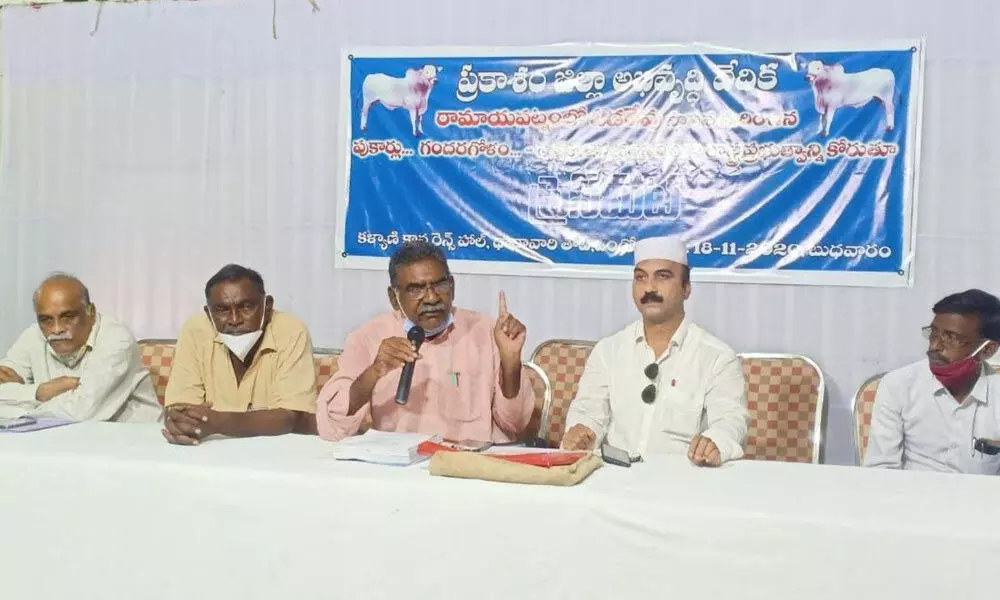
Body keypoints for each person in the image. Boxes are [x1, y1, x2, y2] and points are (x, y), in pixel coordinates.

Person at [317, 240, 533, 443]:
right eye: (416, 289)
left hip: (472, 466)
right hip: (400, 469)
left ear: (452, 287)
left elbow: (515, 424)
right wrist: (374, 371)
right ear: (394, 298)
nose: (431, 298)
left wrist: (510, 360)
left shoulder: (487, 331)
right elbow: (333, 427)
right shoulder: (367, 337)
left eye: (439, 285)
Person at [561, 235, 748, 466]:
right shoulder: (608, 350)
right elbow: (588, 412)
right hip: (613, 478)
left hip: (683, 482)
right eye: (640, 278)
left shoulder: (717, 357)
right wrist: (581, 432)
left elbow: (731, 420)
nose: (649, 288)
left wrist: (715, 442)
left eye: (663, 277)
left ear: (686, 288)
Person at [162, 264, 317, 445]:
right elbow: (179, 407)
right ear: (208, 313)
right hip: (210, 449)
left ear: (267, 306)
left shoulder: (291, 331)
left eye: (246, 307)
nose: (234, 320)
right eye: (222, 310)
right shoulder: (195, 330)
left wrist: (218, 422)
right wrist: (181, 422)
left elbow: (292, 417)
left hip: (275, 450)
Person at [864, 289, 1000, 474]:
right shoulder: (899, 385)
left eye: (951, 338)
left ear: (987, 350)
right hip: (909, 498)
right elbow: (881, 470)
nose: (935, 346)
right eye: (933, 333)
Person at [0, 273, 160, 422]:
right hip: (58, 440)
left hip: (133, 441)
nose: (56, 329)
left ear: (90, 311)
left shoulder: (117, 339)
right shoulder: (33, 335)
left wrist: (18, 402)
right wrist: (40, 392)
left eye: (68, 317)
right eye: (46, 319)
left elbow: (79, 412)